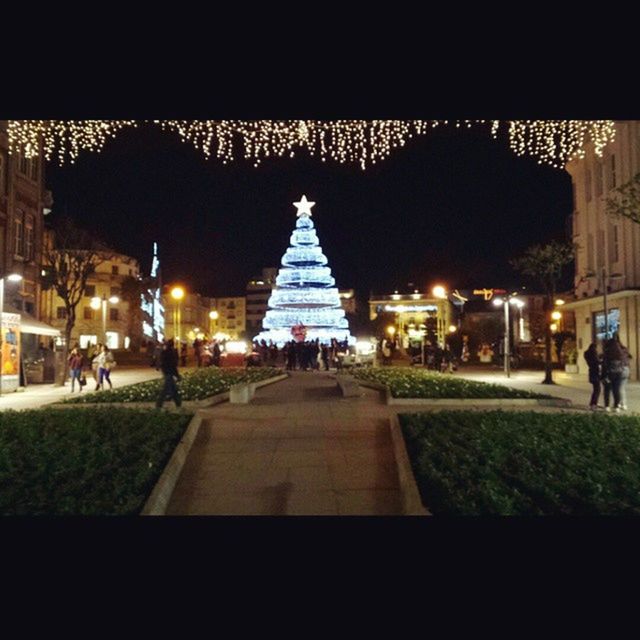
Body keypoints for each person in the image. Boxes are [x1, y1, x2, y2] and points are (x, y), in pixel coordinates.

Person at [156, 339, 182, 409]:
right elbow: (172, 365)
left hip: (166, 372)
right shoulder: (170, 352)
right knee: (167, 389)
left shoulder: (164, 352)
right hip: (169, 373)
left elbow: (161, 362)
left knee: (172, 389)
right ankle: (159, 404)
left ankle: (178, 404)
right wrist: (177, 375)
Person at [603, 338, 624, 412]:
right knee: (616, 390)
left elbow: (604, 365)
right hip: (619, 373)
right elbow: (622, 364)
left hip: (609, 374)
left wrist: (603, 375)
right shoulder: (620, 352)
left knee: (607, 390)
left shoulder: (607, 352)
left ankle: (607, 406)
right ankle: (616, 407)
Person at [583, 342, 601, 410]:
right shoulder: (594, 354)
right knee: (597, 389)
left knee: (596, 389)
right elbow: (597, 362)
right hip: (595, 372)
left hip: (591, 372)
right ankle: (593, 403)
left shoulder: (587, 354)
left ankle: (594, 402)